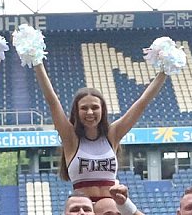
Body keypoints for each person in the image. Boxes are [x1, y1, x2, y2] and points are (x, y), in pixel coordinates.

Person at [37, 65, 165, 200]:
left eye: (95, 107)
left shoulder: (113, 134)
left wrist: (164, 71)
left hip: (111, 212)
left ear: (103, 110)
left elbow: (142, 102)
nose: (90, 112)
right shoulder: (71, 138)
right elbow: (52, 101)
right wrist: (37, 62)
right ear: (76, 111)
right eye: (84, 108)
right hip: (85, 213)